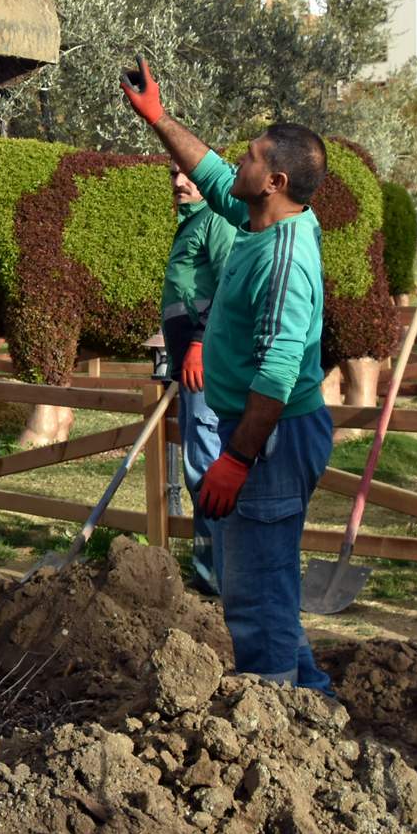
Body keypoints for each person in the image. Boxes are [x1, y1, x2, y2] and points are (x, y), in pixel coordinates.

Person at [124, 60, 333, 691]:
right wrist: (159, 119)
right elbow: (210, 173)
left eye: (248, 157)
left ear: (274, 180)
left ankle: (274, 727)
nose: (232, 162)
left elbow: (277, 373)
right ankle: (312, 708)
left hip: (269, 439)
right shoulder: (260, 219)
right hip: (259, 433)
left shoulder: (285, 259)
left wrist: (236, 459)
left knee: (253, 592)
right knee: (267, 583)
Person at [162, 166, 237, 595]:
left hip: (206, 364)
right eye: (173, 174)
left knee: (207, 468)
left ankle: (222, 575)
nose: (178, 182)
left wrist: (198, 342)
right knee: (198, 469)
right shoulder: (190, 224)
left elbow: (229, 286)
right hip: (190, 366)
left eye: (188, 174)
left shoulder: (217, 221)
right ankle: (209, 571)